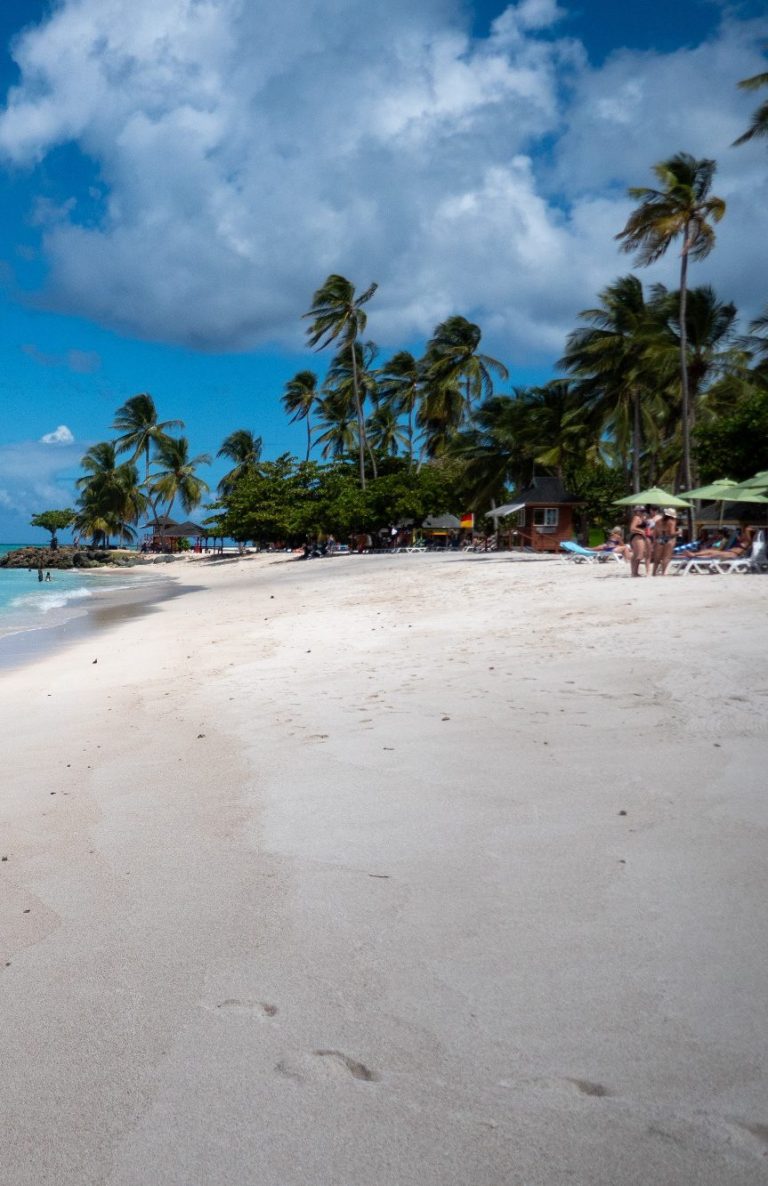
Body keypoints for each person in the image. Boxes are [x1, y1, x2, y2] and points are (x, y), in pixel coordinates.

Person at [652, 508, 678, 576]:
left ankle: (654, 572)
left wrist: (655, 541)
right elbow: (672, 533)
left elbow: (655, 533)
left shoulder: (658, 521)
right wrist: (678, 532)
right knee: (666, 557)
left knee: (657, 558)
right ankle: (663, 573)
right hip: (669, 539)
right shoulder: (671, 521)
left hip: (660, 538)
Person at [628, 507, 651, 577]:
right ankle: (634, 572)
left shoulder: (642, 518)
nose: (642, 512)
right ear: (636, 511)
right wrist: (641, 531)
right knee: (639, 555)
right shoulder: (636, 518)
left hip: (640, 537)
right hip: (637, 537)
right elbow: (632, 528)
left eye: (643, 511)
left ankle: (634, 572)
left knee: (637, 555)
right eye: (640, 511)